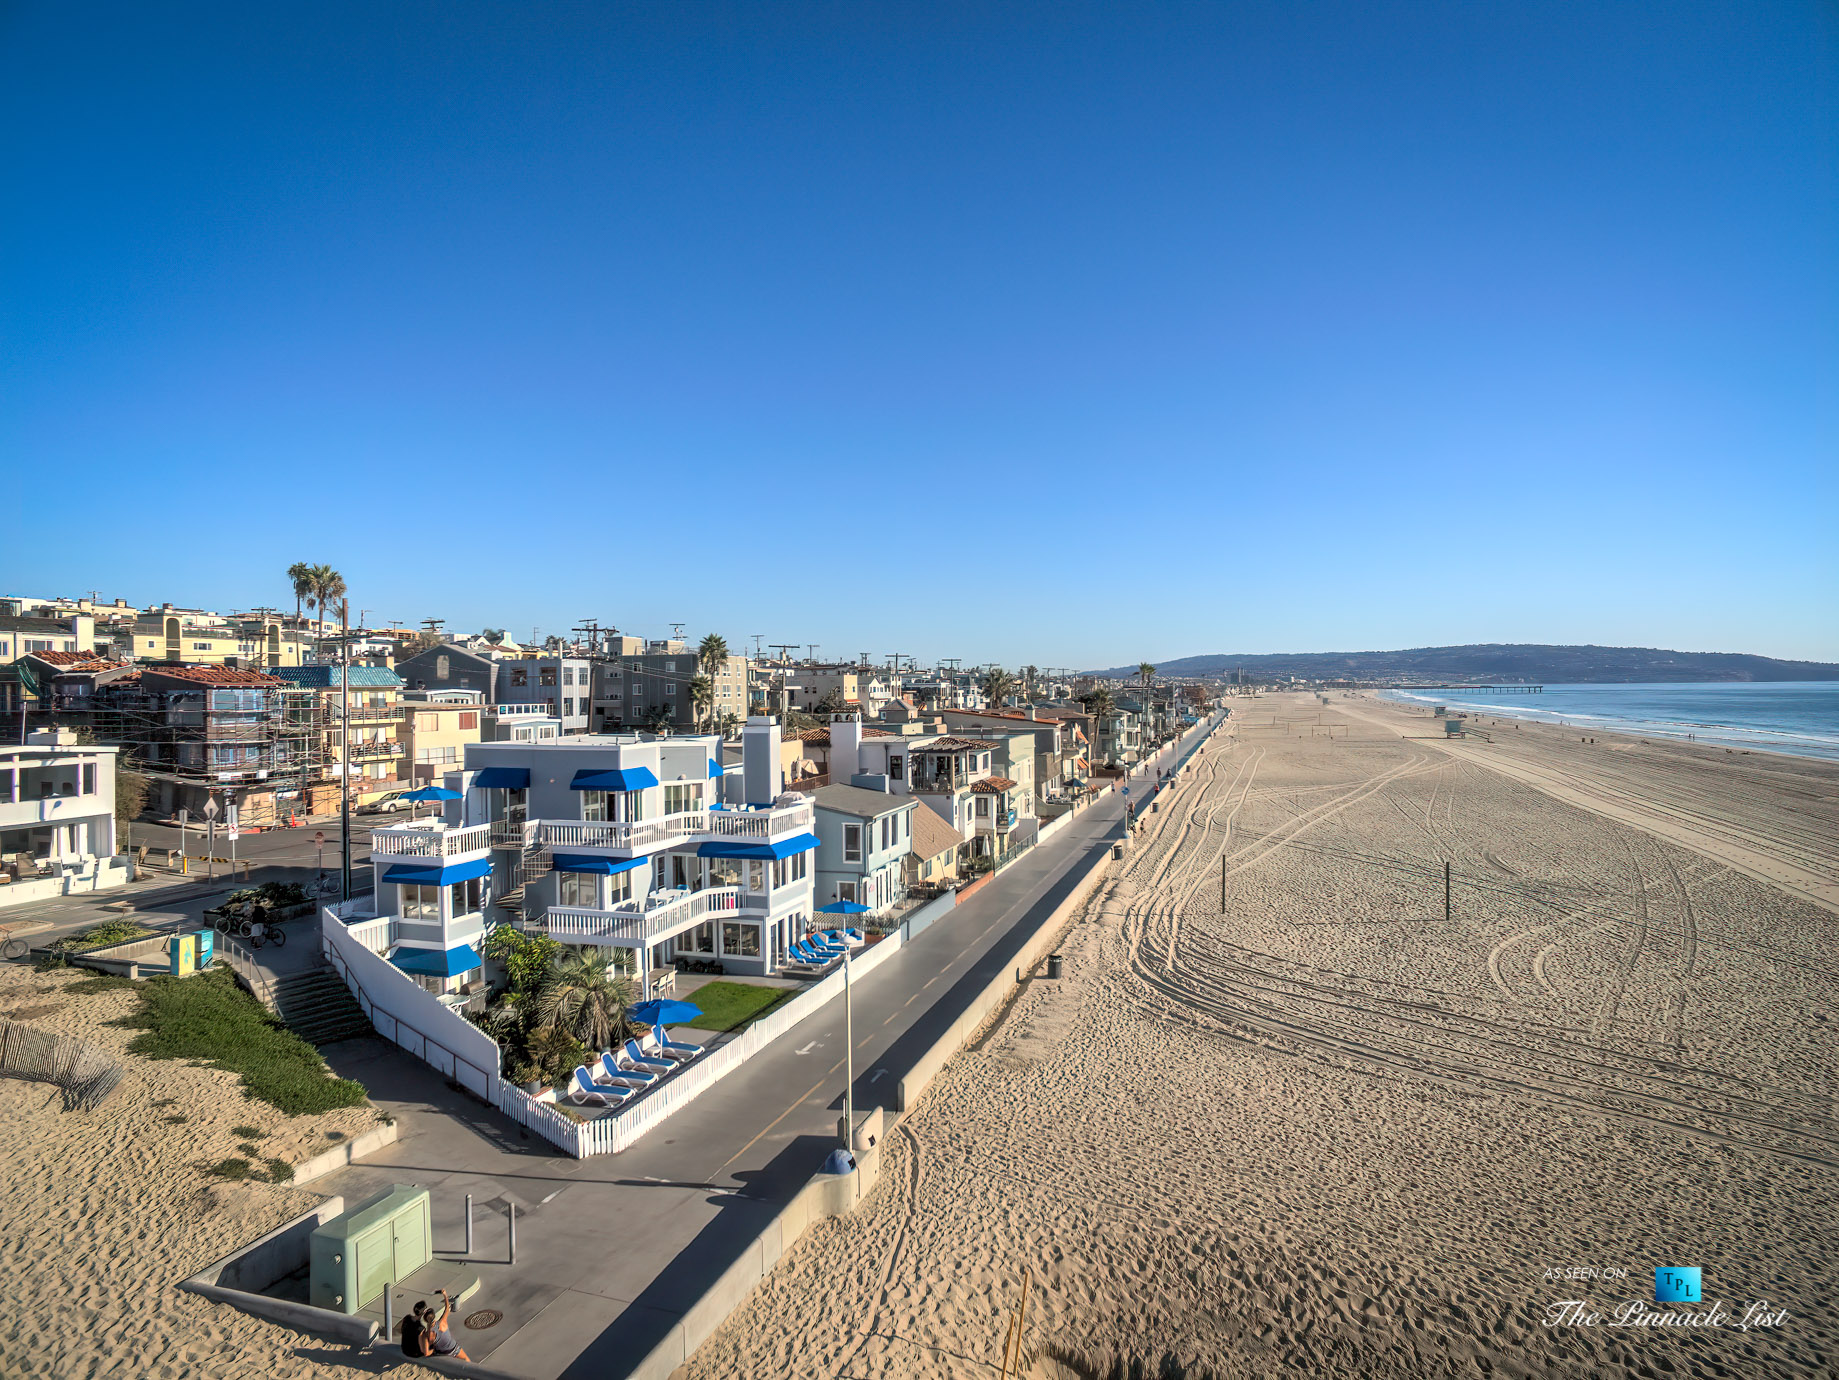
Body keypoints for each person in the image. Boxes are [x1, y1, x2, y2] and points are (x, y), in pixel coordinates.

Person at [425, 1288, 472, 1361]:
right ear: (434, 1315)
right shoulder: (442, 1321)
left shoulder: (430, 1333)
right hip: (453, 1348)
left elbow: (431, 1346)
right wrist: (445, 1295)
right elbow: (447, 1308)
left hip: (444, 1353)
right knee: (466, 1359)